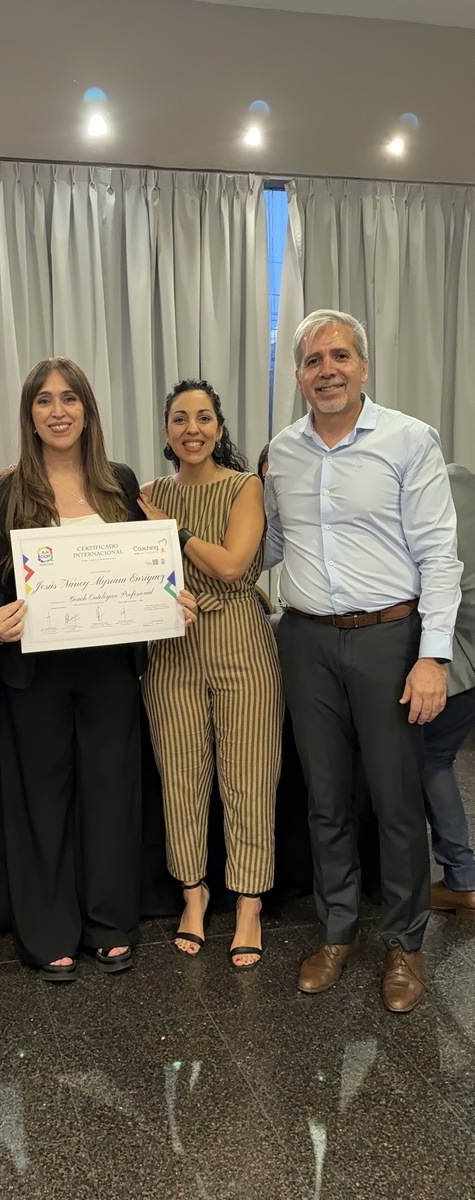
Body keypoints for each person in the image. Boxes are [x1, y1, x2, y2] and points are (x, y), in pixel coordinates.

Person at [264, 309, 463, 1013]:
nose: (327, 370)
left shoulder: (409, 440)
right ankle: (337, 930)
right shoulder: (280, 452)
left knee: (395, 799)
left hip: (389, 639)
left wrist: (432, 657)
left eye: (339, 356)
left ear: (363, 366)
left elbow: (440, 556)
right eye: (313, 360)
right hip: (306, 640)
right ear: (298, 377)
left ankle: (404, 944)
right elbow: (270, 546)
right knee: (324, 798)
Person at [0, 356, 195, 982]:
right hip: (33, 674)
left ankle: (109, 924)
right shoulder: (4, 491)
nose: (58, 411)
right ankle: (48, 935)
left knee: (110, 796)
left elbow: (148, 568)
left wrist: (172, 600)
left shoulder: (118, 483)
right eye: (44, 400)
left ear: (87, 410)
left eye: (69, 398)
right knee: (40, 804)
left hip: (108, 669)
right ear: (30, 415)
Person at [138, 379, 283, 970]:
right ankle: (193, 894)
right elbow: (135, 576)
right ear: (167, 431)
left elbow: (230, 565)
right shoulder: (147, 493)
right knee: (180, 776)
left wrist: (172, 529)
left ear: (219, 429)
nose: (191, 428)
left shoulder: (245, 486)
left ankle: (249, 904)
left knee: (250, 776)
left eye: (203, 417)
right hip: (172, 648)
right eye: (180, 418)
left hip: (240, 639)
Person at [424, 464, 475, 917]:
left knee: (432, 762)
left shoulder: (433, 499)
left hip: (458, 661)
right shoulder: (461, 479)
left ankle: (462, 878)